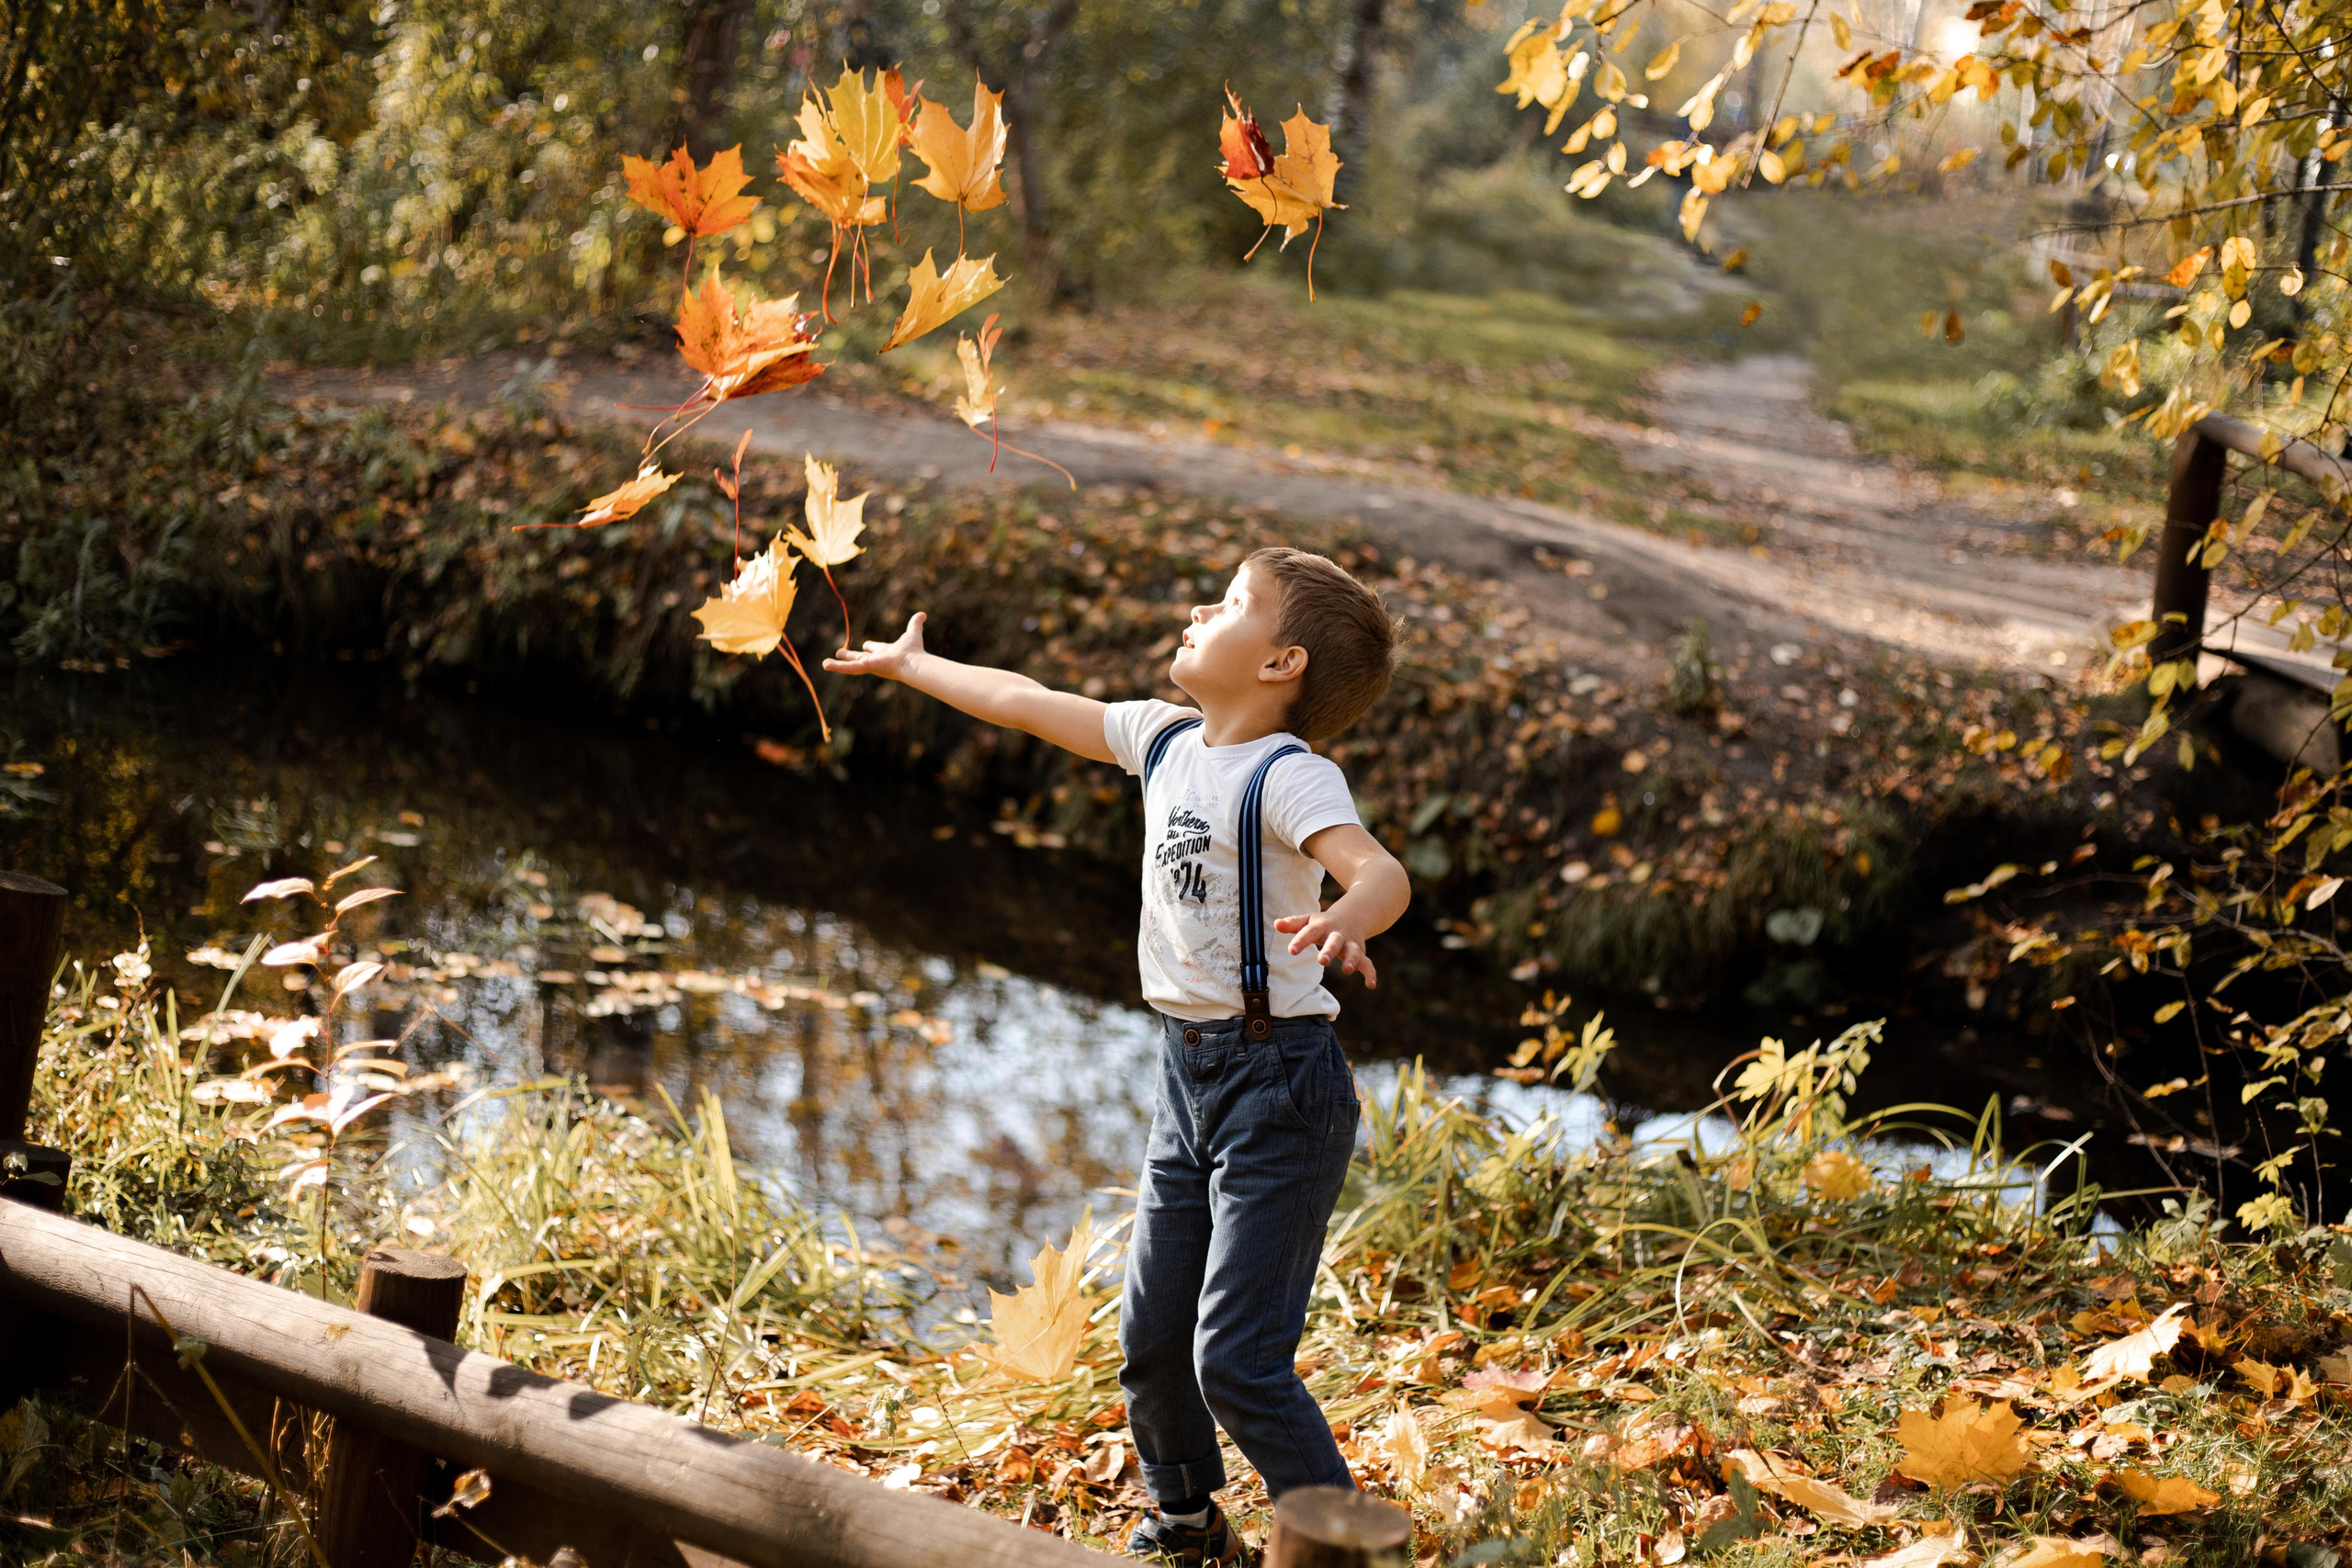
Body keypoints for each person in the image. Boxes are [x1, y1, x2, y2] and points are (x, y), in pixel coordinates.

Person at [825, 545, 1411, 1565]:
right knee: (1151, 1341)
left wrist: (1350, 917)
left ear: (1282, 665)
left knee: (1237, 1358)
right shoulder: (1163, 738)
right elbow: (1023, 700)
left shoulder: (1289, 778)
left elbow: (1378, 869)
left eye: (1231, 604)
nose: (1197, 607)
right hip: (1184, 1078)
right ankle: (1188, 1518)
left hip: (1279, 1087)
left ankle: (1340, 1544)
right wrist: (918, 669)